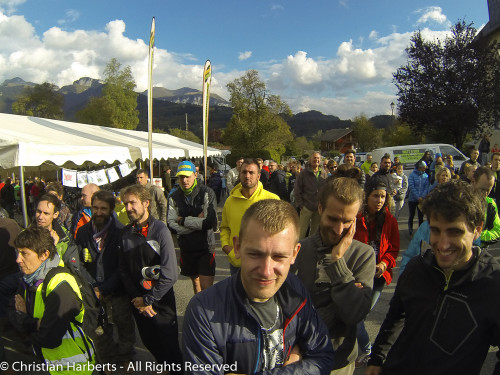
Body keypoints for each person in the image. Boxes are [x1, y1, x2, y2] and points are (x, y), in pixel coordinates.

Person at [183, 199, 335, 374]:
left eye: (279, 257)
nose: (266, 271)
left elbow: (323, 356)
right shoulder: (203, 311)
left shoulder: (295, 290)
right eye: (255, 254)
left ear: (294, 254)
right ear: (237, 247)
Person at [365, 180, 500, 375]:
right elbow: (396, 315)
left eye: (455, 232)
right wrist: (377, 358)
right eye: (435, 230)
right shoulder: (417, 268)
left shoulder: (492, 285)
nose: (443, 245)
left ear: (477, 229)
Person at [293, 177, 376, 374]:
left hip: (339, 361)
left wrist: (337, 260)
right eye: (333, 218)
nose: (339, 230)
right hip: (298, 358)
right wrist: (339, 298)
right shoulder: (299, 250)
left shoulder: (363, 255)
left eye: (347, 221)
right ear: (320, 208)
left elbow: (353, 314)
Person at [10, 227, 96, 374]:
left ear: (44, 254)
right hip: (51, 366)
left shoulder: (60, 285)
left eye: (24, 253)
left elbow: (49, 338)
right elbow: (12, 313)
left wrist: (25, 321)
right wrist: (35, 324)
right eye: (18, 252)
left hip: (75, 369)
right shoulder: (28, 279)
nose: (18, 259)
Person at [119, 184, 182, 369]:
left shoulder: (160, 230)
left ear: (146, 203)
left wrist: (149, 299)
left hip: (161, 301)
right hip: (138, 302)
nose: (128, 208)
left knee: (170, 348)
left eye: (133, 203)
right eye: (126, 204)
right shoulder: (124, 234)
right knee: (149, 342)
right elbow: (123, 270)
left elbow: (170, 274)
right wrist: (137, 300)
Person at [75, 190, 136, 364]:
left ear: (111, 210)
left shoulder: (120, 232)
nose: (98, 212)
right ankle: (107, 361)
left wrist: (104, 288)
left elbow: (122, 266)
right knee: (100, 329)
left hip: (117, 290)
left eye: (103, 208)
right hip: (93, 292)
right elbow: (79, 263)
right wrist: (93, 287)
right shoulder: (83, 232)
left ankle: (127, 359)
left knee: (124, 326)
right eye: (95, 208)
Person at [353, 178, 400, 368]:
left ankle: (363, 350)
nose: (379, 200)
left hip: (378, 278)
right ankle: (365, 349)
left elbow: (394, 249)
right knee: (356, 317)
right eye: (375, 196)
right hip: (357, 276)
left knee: (359, 317)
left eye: (383, 196)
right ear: (367, 197)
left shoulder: (390, 220)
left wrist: (384, 263)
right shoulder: (357, 218)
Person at [221, 158, 279, 274]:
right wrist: (227, 248)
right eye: (244, 172)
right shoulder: (230, 201)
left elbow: (279, 233)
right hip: (237, 263)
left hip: (263, 265)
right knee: (237, 292)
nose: (247, 176)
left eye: (251, 173)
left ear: (258, 176)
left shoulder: (272, 200)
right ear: (239, 175)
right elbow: (225, 228)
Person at [167, 161, 217, 293]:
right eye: (181, 176)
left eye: (187, 176)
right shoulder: (173, 196)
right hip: (187, 247)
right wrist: (196, 222)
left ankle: (207, 313)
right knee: (196, 285)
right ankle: (198, 311)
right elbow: (171, 225)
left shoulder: (207, 192)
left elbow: (209, 223)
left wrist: (182, 220)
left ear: (195, 175)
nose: (184, 180)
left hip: (205, 247)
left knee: (207, 289)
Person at [294, 152, 328, 239]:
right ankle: (298, 248)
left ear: (320, 160)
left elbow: (326, 190)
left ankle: (311, 249)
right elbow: (297, 190)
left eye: (318, 158)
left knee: (315, 231)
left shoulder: (324, 173)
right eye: (314, 158)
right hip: (306, 206)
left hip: (318, 207)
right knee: (301, 231)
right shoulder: (303, 173)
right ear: (310, 160)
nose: (316, 160)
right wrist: (300, 205)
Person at [36, 194, 78, 262]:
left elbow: (73, 267)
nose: (40, 217)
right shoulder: (26, 236)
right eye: (38, 212)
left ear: (55, 214)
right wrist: (52, 247)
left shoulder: (66, 237)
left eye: (46, 213)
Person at [407, 161, 429, 235]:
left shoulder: (426, 176)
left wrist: (422, 196)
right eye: (423, 168)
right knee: (412, 215)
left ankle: (420, 229)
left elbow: (426, 187)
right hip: (412, 199)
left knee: (421, 216)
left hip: (421, 200)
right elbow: (411, 186)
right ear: (419, 167)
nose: (424, 169)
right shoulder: (412, 175)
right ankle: (410, 228)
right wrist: (417, 196)